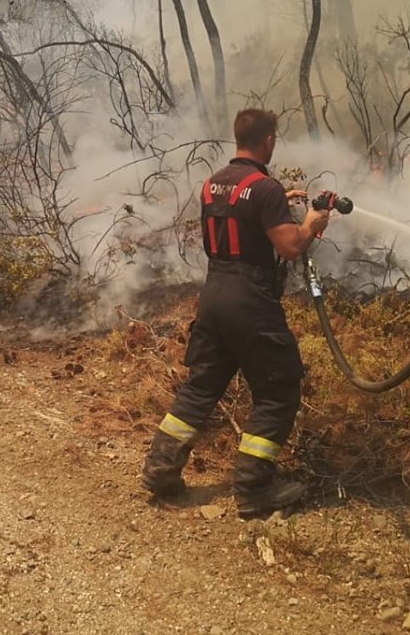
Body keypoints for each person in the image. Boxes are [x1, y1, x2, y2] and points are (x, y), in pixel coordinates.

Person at [139, 108, 332, 519]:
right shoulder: (264, 189)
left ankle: (160, 470)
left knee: (201, 386)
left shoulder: (213, 185)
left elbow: (241, 214)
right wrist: (312, 222)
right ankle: (254, 488)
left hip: (214, 295)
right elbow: (291, 247)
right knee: (278, 389)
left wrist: (281, 202)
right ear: (268, 142)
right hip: (251, 300)